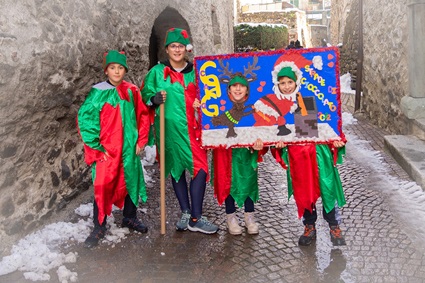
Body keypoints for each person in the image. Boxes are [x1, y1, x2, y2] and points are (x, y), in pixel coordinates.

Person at [140, 28, 218, 234]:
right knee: (176, 170)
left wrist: (202, 104)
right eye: (173, 46)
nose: (177, 50)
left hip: (194, 130)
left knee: (200, 169)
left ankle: (196, 216)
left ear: (187, 49)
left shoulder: (196, 72)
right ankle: (185, 211)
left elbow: (211, 96)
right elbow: (145, 94)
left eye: (180, 46)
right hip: (169, 131)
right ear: (167, 49)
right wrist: (153, 98)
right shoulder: (156, 73)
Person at [77, 50, 150, 248]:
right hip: (107, 150)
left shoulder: (132, 90)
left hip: (128, 148)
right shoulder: (98, 93)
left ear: (124, 70)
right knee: (102, 186)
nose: (117, 72)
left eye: (120, 68)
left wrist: (141, 141)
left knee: (131, 182)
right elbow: (86, 120)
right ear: (106, 71)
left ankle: (129, 217)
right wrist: (97, 148)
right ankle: (99, 225)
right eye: (112, 68)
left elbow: (143, 115)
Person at [271, 66, 347, 246]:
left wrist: (336, 140)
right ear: (278, 85)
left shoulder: (312, 97)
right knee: (305, 190)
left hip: (320, 153)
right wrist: (279, 145)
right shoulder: (278, 106)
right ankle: (309, 225)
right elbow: (275, 134)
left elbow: (330, 121)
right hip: (298, 157)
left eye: (290, 82)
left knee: (328, 188)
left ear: (296, 81)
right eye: (282, 83)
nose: (287, 86)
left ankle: (334, 225)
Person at [211, 76, 266, 235]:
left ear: (247, 90)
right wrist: (198, 109)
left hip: (246, 150)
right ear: (228, 90)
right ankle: (231, 217)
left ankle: (249, 216)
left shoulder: (254, 108)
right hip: (226, 151)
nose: (237, 89)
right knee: (228, 180)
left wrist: (259, 143)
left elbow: (262, 129)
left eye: (241, 86)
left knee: (248, 179)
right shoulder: (220, 106)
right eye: (234, 86)